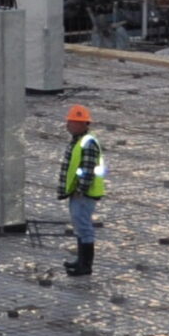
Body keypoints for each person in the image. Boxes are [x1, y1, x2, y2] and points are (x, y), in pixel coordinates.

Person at [59, 105, 107, 278]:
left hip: (84, 194)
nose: (68, 125)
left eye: (71, 122)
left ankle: (85, 266)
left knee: (84, 228)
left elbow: (88, 168)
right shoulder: (80, 140)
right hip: (78, 192)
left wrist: (80, 189)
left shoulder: (87, 143)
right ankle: (80, 261)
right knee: (80, 226)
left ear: (82, 124)